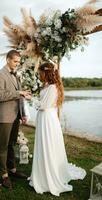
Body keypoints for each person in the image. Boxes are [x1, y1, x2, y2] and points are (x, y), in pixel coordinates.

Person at [29, 62, 86, 196]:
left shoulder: (53, 88)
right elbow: (43, 102)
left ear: (46, 73)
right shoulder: (48, 86)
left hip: (48, 120)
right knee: (45, 146)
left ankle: (49, 177)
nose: (39, 75)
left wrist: (30, 98)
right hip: (46, 118)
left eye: (41, 73)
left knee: (48, 146)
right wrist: (33, 97)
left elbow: (43, 105)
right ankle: (42, 172)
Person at [0, 50, 31, 189]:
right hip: (4, 116)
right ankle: (4, 175)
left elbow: (18, 97)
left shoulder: (16, 75)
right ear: (7, 59)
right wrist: (19, 92)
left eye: (18, 62)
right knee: (2, 145)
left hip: (15, 116)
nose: (17, 64)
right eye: (15, 61)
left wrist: (22, 113)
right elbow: (0, 96)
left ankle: (12, 169)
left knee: (12, 143)